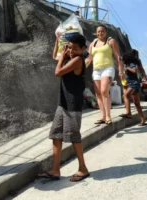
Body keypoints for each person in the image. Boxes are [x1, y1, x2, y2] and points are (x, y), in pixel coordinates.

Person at [38, 34, 89, 182]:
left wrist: (63, 57)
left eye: (75, 48)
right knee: (56, 134)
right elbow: (55, 56)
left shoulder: (78, 60)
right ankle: (55, 170)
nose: (71, 51)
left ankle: (83, 168)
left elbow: (57, 72)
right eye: (69, 47)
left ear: (83, 49)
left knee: (74, 136)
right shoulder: (68, 58)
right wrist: (57, 42)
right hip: (63, 103)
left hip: (73, 104)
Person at [85, 25, 123, 125]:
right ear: (96, 33)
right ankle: (102, 116)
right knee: (98, 93)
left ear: (106, 32)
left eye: (102, 31)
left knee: (104, 91)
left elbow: (118, 57)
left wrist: (121, 71)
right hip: (96, 70)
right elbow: (89, 58)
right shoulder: (93, 43)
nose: (100, 33)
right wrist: (81, 67)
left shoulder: (111, 41)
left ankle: (108, 116)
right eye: (98, 31)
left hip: (108, 68)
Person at [120, 50, 147, 126]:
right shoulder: (132, 62)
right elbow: (141, 68)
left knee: (125, 95)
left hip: (133, 84)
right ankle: (143, 120)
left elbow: (134, 71)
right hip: (133, 83)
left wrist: (127, 69)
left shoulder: (131, 64)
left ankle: (128, 113)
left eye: (123, 60)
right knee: (137, 103)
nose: (123, 61)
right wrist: (145, 76)